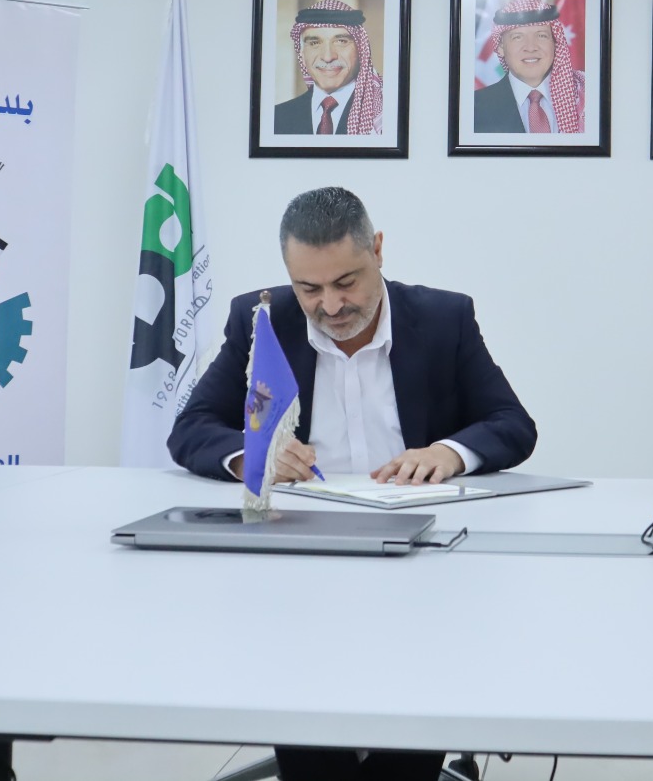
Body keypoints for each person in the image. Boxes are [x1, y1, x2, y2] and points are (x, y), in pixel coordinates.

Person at [169, 186, 537, 780]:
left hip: (420, 557)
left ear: (378, 251)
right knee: (314, 741)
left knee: (404, 738)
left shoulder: (443, 318)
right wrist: (254, 457)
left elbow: (512, 424)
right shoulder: (263, 319)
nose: (331, 306)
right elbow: (191, 429)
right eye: (309, 288)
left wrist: (448, 453)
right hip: (299, 558)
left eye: (347, 282)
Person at [473, 0, 585, 134]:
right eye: (518, 37)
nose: (531, 47)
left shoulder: (586, 95)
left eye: (541, 36)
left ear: (555, 42)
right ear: (501, 47)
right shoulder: (475, 107)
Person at [273, 0, 384, 136]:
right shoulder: (277, 118)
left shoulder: (383, 115)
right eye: (314, 43)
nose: (327, 57)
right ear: (302, 54)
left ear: (361, 50)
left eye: (341, 41)